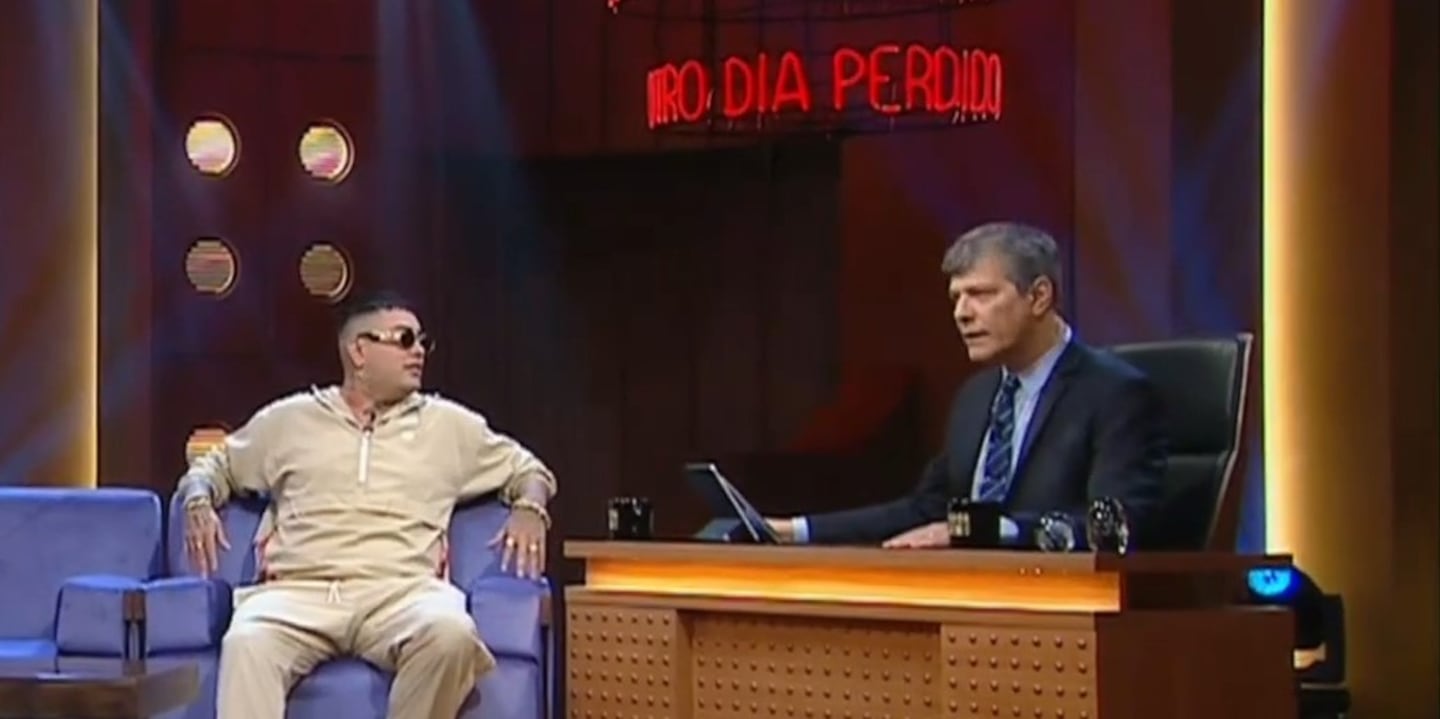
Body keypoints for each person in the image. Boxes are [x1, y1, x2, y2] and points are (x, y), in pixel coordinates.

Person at [177, 292, 557, 719]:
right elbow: (216, 466)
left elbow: (529, 470)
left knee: (451, 634)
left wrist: (530, 507)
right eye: (405, 339)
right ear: (359, 351)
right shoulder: (288, 421)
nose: (418, 351)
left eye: (422, 342)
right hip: (297, 593)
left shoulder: (449, 426)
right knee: (246, 642)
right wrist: (198, 499)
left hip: (402, 592)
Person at [768, 222, 1166, 548]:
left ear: (1039, 297)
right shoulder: (976, 396)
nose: (961, 313)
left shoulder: (1115, 394)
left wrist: (988, 531)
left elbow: (1114, 526)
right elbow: (927, 511)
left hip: (1061, 601)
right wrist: (795, 530)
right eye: (956, 298)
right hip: (968, 596)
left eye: (980, 294)